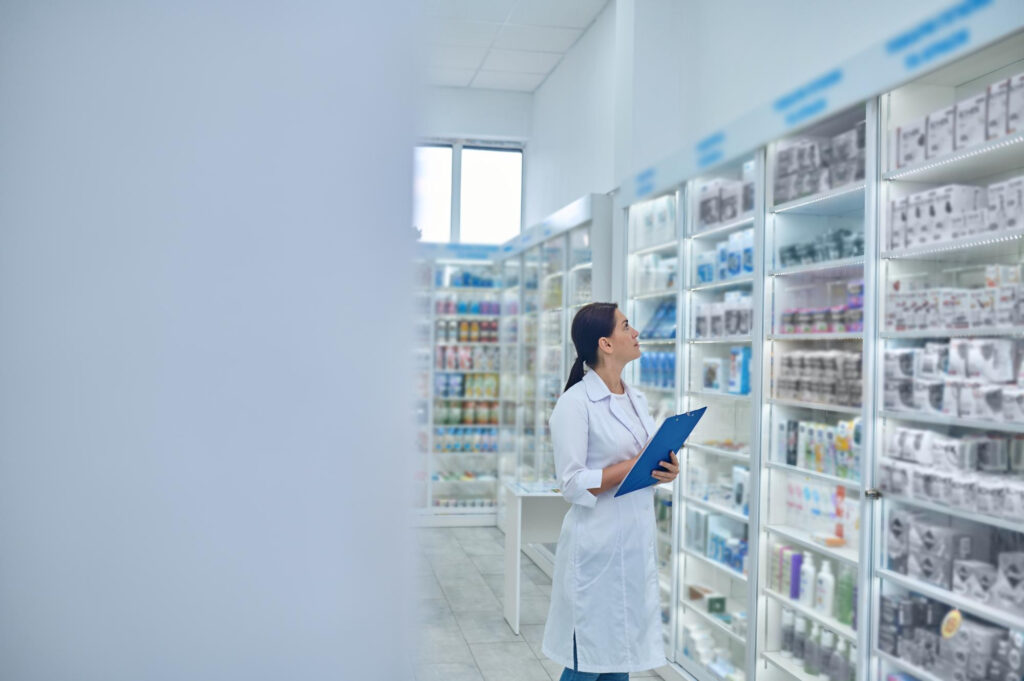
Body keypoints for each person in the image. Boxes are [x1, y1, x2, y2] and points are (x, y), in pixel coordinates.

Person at [540, 302, 679, 681]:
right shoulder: (574, 404)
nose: (635, 333)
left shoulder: (636, 399)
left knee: (619, 662)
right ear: (605, 343)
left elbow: (643, 459)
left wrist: (664, 469)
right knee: (587, 662)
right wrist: (632, 467)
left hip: (633, 544)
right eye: (626, 326)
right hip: (596, 550)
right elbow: (571, 483)